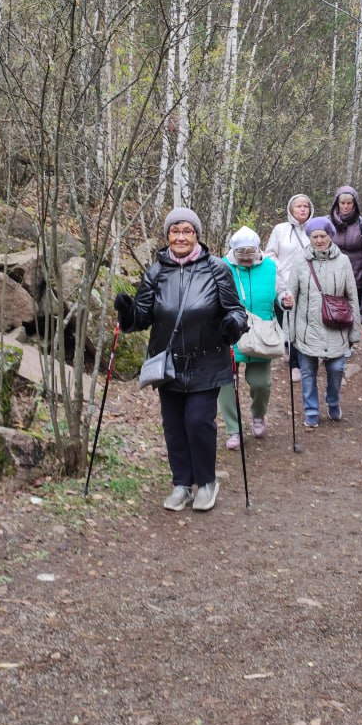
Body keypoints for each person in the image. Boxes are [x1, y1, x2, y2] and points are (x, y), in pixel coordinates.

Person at [115, 208, 247, 512]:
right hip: (168, 364)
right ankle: (182, 484)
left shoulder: (216, 269)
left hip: (207, 362)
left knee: (198, 421)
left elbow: (236, 311)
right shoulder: (157, 272)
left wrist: (233, 324)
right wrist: (126, 311)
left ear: (197, 235)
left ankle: (207, 482)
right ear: (167, 236)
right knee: (173, 425)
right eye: (175, 231)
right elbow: (141, 318)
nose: (181, 237)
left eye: (187, 231)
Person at [280, 216, 361, 428]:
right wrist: (288, 329)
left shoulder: (343, 261)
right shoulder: (300, 261)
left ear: (330, 236)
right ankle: (312, 410)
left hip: (336, 328)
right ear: (309, 238)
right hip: (306, 329)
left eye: (322, 236)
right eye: (314, 236)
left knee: (336, 369)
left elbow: (352, 296)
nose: (318, 240)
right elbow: (291, 295)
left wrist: (355, 332)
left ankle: (333, 401)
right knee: (307, 373)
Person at [220, 227, 279, 450]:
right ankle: (233, 430)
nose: (246, 257)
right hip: (228, 330)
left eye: (250, 252)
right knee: (226, 384)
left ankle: (258, 415)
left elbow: (281, 291)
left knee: (261, 383)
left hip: (260, 332)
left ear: (258, 250)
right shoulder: (221, 266)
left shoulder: (271, 266)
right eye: (241, 252)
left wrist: (285, 299)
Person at [264, 193, 313, 383]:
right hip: (282, 281)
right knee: (287, 319)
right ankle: (293, 362)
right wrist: (281, 271)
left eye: (305, 206)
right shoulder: (280, 229)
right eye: (298, 206)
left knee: (302, 321)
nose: (302, 209)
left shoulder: (315, 228)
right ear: (291, 209)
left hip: (308, 284)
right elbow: (270, 254)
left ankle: (301, 360)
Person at [328, 186, 362, 323]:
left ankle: (360, 316)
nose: (345, 206)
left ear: (354, 204)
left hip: (357, 270)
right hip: (333, 270)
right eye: (342, 203)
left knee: (353, 312)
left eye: (349, 203)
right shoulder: (328, 221)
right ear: (337, 204)